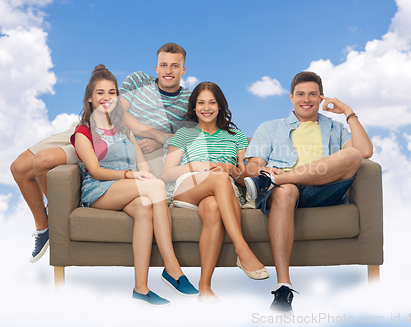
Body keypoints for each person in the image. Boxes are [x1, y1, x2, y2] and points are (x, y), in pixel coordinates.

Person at [10, 43, 190, 263]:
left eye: (175, 66)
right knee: (22, 167)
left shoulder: (189, 101)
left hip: (122, 147)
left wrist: (159, 142)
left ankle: (59, 215)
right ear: (156, 67)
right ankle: (44, 225)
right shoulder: (138, 80)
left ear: (183, 69)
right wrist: (156, 134)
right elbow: (117, 112)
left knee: (47, 161)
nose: (168, 70)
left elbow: (184, 139)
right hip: (96, 131)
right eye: (164, 65)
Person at [243, 71, 373, 313]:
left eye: (313, 94)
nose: (306, 99)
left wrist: (348, 111)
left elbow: (364, 152)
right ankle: (283, 286)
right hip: (284, 193)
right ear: (291, 97)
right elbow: (252, 167)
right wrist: (263, 169)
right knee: (286, 190)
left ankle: (274, 179)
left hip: (324, 190)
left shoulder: (336, 128)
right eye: (301, 94)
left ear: (320, 97)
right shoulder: (270, 128)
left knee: (352, 154)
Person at [71, 64, 198, 306]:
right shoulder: (83, 131)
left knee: (144, 207)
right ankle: (172, 267)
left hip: (126, 186)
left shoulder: (123, 128)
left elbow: (142, 162)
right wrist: (132, 176)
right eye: (100, 93)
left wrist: (145, 174)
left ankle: (140, 288)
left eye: (111, 92)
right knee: (156, 188)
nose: (106, 98)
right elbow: (95, 170)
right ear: (89, 98)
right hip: (99, 189)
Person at [162, 82, 269, 303]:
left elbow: (245, 175)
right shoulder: (184, 134)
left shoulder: (236, 135)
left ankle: (204, 286)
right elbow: (167, 173)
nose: (206, 107)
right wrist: (199, 165)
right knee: (219, 177)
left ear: (220, 106)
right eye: (201, 102)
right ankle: (243, 250)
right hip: (189, 188)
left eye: (212, 102)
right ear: (193, 108)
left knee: (212, 206)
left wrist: (231, 169)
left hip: (223, 192)